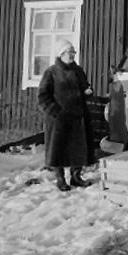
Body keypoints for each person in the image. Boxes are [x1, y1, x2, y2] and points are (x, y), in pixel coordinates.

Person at [38, 39, 95, 192]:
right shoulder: (51, 72)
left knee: (78, 147)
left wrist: (87, 91)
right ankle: (60, 179)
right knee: (59, 149)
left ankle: (76, 177)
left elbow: (85, 86)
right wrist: (55, 111)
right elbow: (43, 96)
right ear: (61, 54)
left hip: (78, 116)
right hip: (59, 119)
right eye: (70, 52)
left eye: (74, 52)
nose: (73, 55)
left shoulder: (78, 70)